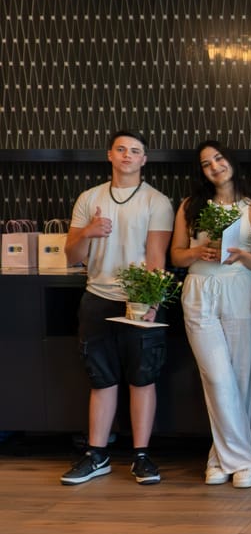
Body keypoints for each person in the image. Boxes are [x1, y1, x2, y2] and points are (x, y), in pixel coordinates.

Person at [60, 129, 175, 485]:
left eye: (135, 151)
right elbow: (71, 255)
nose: (127, 155)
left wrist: (153, 300)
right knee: (101, 379)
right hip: (97, 297)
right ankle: (96, 455)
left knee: (143, 378)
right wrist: (88, 232)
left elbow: (156, 258)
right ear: (109, 155)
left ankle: (141, 457)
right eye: (121, 149)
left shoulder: (157, 201)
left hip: (140, 299)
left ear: (144, 159)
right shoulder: (89, 198)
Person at [170, 141, 251, 489]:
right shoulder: (189, 206)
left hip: (239, 287)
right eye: (206, 163)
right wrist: (197, 251)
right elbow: (176, 256)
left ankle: (220, 459)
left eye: (219, 158)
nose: (214, 166)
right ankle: (244, 461)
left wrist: (241, 255)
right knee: (216, 378)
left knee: (240, 378)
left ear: (231, 160)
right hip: (199, 289)